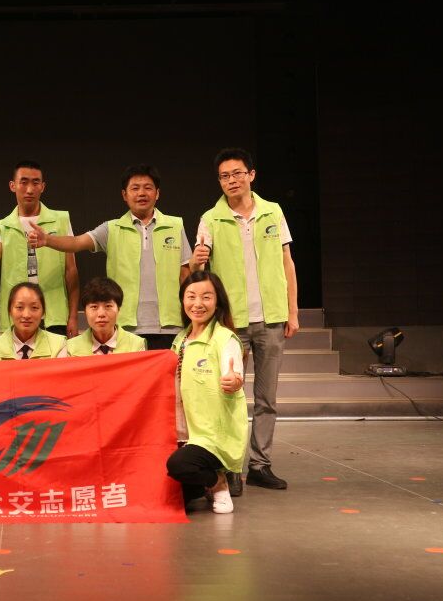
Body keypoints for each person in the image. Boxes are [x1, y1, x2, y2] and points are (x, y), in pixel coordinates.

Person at [190, 148, 298, 492]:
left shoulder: (273, 211)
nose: (232, 181)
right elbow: (198, 272)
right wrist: (196, 261)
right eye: (224, 176)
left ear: (251, 175)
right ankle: (230, 467)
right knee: (228, 396)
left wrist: (292, 311)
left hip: (271, 319)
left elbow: (287, 262)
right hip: (231, 325)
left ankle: (260, 464)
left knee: (267, 399)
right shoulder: (210, 218)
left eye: (237, 173)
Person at [28, 164, 192, 350]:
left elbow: (185, 275)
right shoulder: (111, 229)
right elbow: (77, 242)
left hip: (171, 327)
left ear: (157, 193)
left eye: (148, 187)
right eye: (135, 188)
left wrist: (189, 319)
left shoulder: (175, 225)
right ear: (124, 195)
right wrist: (47, 240)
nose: (141, 193)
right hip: (125, 328)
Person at [165, 271, 247, 514]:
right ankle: (201, 486)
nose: (197, 304)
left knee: (178, 465)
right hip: (185, 431)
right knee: (171, 493)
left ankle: (217, 481)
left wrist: (234, 381)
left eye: (206, 297)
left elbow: (235, 374)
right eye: (191, 296)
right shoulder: (180, 339)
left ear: (218, 302)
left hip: (213, 435)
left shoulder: (225, 339)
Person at [0, 161, 80, 337]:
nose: (29, 189)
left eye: (35, 183)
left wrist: (73, 316)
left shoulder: (60, 220)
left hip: (55, 315)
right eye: (24, 182)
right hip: (16, 316)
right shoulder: (2, 226)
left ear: (43, 187)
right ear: (12, 185)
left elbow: (71, 271)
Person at [0, 283, 68, 360]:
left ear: (43, 312)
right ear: (10, 311)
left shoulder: (59, 345)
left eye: (34, 308)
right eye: (19, 307)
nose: (26, 315)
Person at [67, 277, 146, 356]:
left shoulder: (136, 345)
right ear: (85, 311)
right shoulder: (71, 348)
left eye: (108, 306)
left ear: (118, 309)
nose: (101, 314)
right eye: (94, 307)